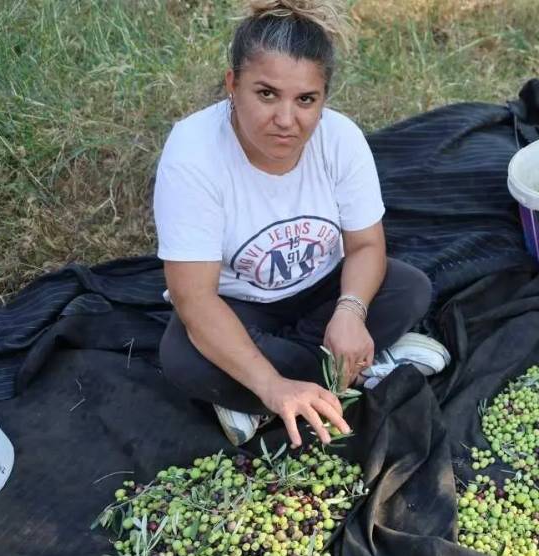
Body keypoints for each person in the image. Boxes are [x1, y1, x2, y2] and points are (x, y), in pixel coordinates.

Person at [155, 0, 449, 447]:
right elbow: (193, 298)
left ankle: (257, 391)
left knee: (409, 288)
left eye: (306, 100)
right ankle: (354, 370)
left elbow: (367, 246)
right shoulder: (193, 156)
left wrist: (351, 311)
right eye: (266, 94)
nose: (286, 120)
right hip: (239, 305)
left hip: (320, 292)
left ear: (323, 99)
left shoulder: (341, 140)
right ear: (233, 85)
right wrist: (275, 386)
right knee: (182, 355)